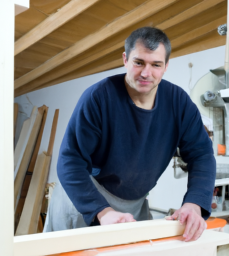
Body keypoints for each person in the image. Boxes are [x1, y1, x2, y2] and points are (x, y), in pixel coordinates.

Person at [46, 27, 216, 242]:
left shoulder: (179, 103)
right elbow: (70, 161)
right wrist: (103, 211)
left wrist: (195, 203)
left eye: (156, 65)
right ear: (125, 59)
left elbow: (201, 154)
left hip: (134, 204)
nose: (146, 73)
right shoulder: (98, 98)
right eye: (139, 62)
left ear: (166, 66)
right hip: (86, 198)